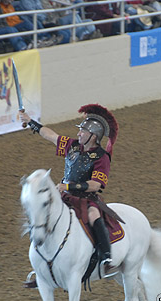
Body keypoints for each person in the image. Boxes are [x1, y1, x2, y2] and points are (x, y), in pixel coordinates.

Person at [19, 104, 119, 277]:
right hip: (64, 195)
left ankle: (106, 257)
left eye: (82, 132)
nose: (78, 134)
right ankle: (42, 264)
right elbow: (50, 135)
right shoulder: (72, 146)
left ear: (93, 136)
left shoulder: (102, 157)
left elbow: (95, 185)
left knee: (95, 216)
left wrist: (69, 186)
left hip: (86, 198)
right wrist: (30, 122)